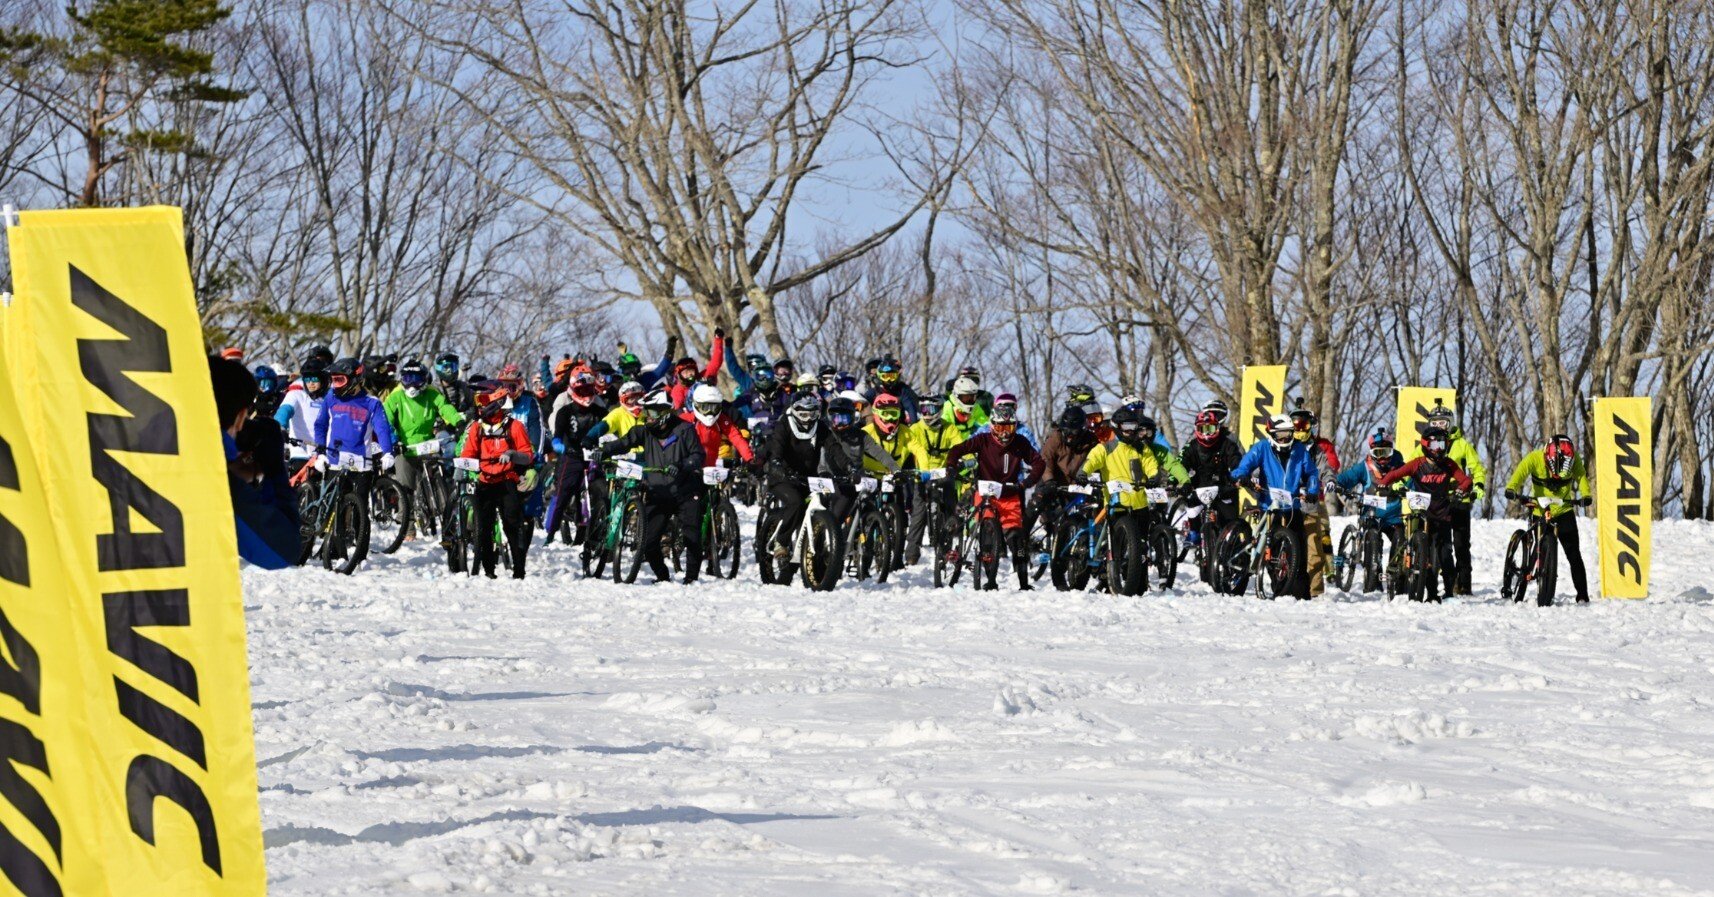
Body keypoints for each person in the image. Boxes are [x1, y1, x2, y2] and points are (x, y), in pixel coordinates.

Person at [595, 389, 710, 583]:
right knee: (647, 542)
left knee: (692, 535)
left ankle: (691, 579)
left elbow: (698, 455)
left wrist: (681, 466)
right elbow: (624, 443)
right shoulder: (645, 431)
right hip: (658, 493)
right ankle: (663, 577)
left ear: (664, 413)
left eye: (652, 412)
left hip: (686, 491)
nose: (647, 417)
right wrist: (603, 451)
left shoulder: (685, 429)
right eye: (645, 412)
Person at [1080, 409, 1189, 591]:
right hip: (1117, 503)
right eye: (1129, 428)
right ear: (1117, 427)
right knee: (1116, 543)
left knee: (1141, 544)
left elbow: (1155, 464)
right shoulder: (1107, 447)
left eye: (1137, 429)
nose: (1135, 433)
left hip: (1140, 502)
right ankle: (1109, 577)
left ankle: (1140, 583)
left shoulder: (1145, 449)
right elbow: (1093, 459)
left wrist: (1156, 477)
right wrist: (1084, 472)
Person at [211, 356, 299, 568]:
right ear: (241, 417)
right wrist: (274, 470)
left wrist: (234, 469)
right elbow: (284, 549)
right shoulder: (217, 482)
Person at [946, 404, 1046, 590]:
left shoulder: (1020, 442)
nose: (1004, 433)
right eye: (1000, 427)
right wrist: (951, 466)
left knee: (1016, 539)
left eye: (1008, 427)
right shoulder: (982, 440)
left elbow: (1039, 463)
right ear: (992, 426)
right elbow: (957, 449)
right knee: (987, 536)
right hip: (985, 493)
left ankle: (1024, 583)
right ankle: (990, 579)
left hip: (1009, 494)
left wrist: (1027, 483)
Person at [1376, 425, 1474, 602]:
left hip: (1443, 515)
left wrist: (1462, 488)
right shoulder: (1417, 464)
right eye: (1435, 445)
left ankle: (1450, 593)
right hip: (1421, 515)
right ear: (1425, 445)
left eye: (1442, 445)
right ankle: (1431, 592)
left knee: (1445, 556)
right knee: (1425, 554)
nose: (1439, 450)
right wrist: (1383, 484)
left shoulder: (1449, 464)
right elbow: (1396, 474)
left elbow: (1465, 480)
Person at [1230, 414, 1322, 600]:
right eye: (1280, 435)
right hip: (1269, 504)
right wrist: (1241, 475)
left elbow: (1312, 473)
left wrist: (1312, 489)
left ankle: (1301, 596)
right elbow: (1244, 465)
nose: (1285, 438)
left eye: (1288, 434)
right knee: (1272, 548)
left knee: (1299, 552)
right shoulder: (1262, 448)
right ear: (1271, 433)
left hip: (1292, 506)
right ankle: (1279, 589)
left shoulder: (1299, 450)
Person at [1405, 400, 1486, 595]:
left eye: (1444, 423)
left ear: (1450, 423)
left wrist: (1477, 487)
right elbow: (1411, 466)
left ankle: (1463, 584)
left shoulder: (1462, 445)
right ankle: (1431, 579)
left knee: (1460, 544)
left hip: (1458, 500)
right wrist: (1401, 484)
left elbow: (1477, 468)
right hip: (1434, 502)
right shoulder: (1425, 446)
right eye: (1436, 423)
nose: (1440, 427)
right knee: (1438, 542)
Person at [1504, 434, 1592, 603]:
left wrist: (1586, 495)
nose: (1556, 476)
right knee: (1537, 545)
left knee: (1574, 554)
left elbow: (1581, 477)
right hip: (1539, 509)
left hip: (1563, 509)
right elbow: (1519, 474)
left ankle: (1582, 594)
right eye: (1553, 472)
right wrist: (1511, 488)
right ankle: (1524, 571)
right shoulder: (1534, 458)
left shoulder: (1574, 460)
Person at [459, 382, 535, 578]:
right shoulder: (477, 428)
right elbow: (468, 454)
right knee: (483, 526)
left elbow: (528, 455)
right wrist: (464, 467)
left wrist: (512, 454)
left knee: (512, 525)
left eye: (484, 402)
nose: (481, 407)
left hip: (507, 480)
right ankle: (488, 569)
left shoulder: (514, 426)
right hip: (485, 481)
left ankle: (519, 569)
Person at [383, 358, 464, 522]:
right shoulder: (396, 397)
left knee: (439, 474)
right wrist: (393, 440)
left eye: (417, 380)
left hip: (427, 444)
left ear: (425, 380)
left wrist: (458, 421)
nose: (412, 385)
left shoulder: (432, 393)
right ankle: (408, 524)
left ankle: (446, 512)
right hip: (404, 447)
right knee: (405, 487)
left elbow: (445, 408)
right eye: (407, 379)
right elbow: (386, 421)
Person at [904, 393, 976, 563]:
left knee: (951, 508)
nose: (927, 414)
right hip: (922, 476)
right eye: (923, 410)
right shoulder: (915, 429)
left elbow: (961, 447)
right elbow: (906, 450)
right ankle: (912, 554)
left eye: (931, 409)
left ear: (940, 410)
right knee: (918, 514)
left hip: (945, 475)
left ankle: (947, 549)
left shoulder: (950, 428)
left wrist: (969, 460)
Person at [1333, 429, 1406, 592]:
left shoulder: (1399, 465)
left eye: (1387, 452)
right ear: (1371, 451)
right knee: (1372, 537)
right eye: (1378, 453)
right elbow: (1345, 478)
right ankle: (1373, 581)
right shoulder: (1364, 467)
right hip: (1371, 514)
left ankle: (1397, 577)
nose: (1383, 458)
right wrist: (1339, 484)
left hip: (1394, 516)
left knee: (1400, 540)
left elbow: (1411, 480)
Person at [544, 368, 612, 542]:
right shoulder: (565, 410)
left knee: (602, 490)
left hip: (594, 456)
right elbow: (558, 432)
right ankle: (551, 531)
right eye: (582, 391)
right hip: (572, 455)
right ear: (574, 390)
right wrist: (558, 444)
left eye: (590, 390)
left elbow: (609, 429)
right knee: (564, 490)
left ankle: (598, 531)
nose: (586, 395)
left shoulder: (600, 411)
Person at [760, 395, 830, 563]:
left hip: (808, 478)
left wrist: (848, 467)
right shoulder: (784, 424)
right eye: (804, 414)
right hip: (783, 477)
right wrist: (776, 464)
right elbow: (777, 446)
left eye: (812, 414)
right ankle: (781, 542)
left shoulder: (820, 427)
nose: (808, 419)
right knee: (796, 503)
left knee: (826, 502)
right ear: (795, 411)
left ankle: (818, 550)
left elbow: (833, 448)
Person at [817, 395, 900, 533]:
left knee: (870, 501)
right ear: (830, 418)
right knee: (835, 516)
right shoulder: (827, 434)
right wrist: (823, 473)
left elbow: (879, 452)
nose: (840, 423)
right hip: (831, 480)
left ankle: (867, 537)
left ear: (853, 417)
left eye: (845, 418)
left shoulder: (860, 435)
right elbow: (821, 458)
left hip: (854, 479)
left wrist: (895, 469)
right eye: (836, 418)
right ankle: (828, 536)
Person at [312, 357, 397, 487]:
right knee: (332, 505)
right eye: (333, 380)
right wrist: (320, 453)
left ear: (354, 379)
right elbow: (320, 425)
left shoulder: (372, 402)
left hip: (362, 464)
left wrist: (387, 452)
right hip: (334, 461)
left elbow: (382, 429)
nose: (335, 385)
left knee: (360, 504)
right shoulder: (331, 396)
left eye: (340, 380)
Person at [1291, 402, 1341, 597]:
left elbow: (1331, 465)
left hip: (1315, 499)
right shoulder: (1285, 445)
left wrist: (1328, 480)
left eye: (1303, 426)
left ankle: (1324, 578)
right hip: (1289, 502)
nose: (1299, 430)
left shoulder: (1321, 446)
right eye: (1296, 426)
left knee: (1320, 537)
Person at [1178, 408, 1245, 548]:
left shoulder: (1227, 444)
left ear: (1218, 428)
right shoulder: (1192, 446)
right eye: (1202, 429)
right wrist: (1178, 481)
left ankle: (1232, 546)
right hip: (1200, 486)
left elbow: (1236, 461)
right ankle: (1194, 532)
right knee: (1191, 505)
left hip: (1224, 486)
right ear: (1196, 429)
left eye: (1210, 428)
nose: (1206, 433)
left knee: (1230, 525)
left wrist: (1240, 476)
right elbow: (1181, 465)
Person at [686, 383, 755, 468]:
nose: (709, 412)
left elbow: (737, 438)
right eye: (705, 408)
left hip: (712, 469)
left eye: (714, 408)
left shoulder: (721, 420)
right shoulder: (687, 420)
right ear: (696, 405)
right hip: (689, 468)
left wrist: (749, 458)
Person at [275, 358, 328, 464]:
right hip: (300, 451)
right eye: (307, 379)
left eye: (314, 379)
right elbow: (285, 410)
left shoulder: (330, 399)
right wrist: (280, 426)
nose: (311, 383)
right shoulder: (296, 395)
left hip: (324, 452)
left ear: (323, 380)